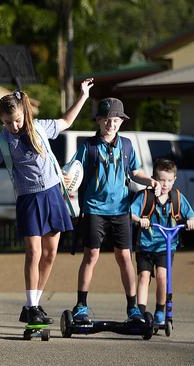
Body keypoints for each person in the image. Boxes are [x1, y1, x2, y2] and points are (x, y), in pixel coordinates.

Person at [0, 79, 95, 325]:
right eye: (7, 121)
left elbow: (67, 121)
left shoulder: (41, 128)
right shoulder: (3, 140)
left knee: (50, 253)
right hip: (29, 198)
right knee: (33, 252)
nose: (14, 125)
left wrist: (83, 95)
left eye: (17, 119)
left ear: (24, 113)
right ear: (1, 120)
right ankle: (32, 305)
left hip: (53, 194)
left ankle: (32, 305)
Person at [71, 97, 161, 324]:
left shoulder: (128, 145)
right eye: (107, 120)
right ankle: (81, 305)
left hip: (121, 210)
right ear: (99, 121)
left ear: (122, 121)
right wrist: (65, 177)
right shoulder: (88, 147)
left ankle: (133, 309)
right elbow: (72, 171)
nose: (111, 124)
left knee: (124, 257)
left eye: (116, 120)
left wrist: (150, 180)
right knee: (91, 255)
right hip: (94, 209)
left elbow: (135, 172)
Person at [131, 158, 194, 326]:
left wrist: (190, 221)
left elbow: (190, 214)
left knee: (162, 276)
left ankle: (160, 310)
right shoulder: (146, 196)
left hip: (166, 246)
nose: (164, 184)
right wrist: (140, 220)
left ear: (174, 179)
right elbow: (131, 212)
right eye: (161, 180)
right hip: (145, 244)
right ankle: (141, 313)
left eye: (168, 180)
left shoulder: (177, 197)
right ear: (154, 179)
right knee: (144, 276)